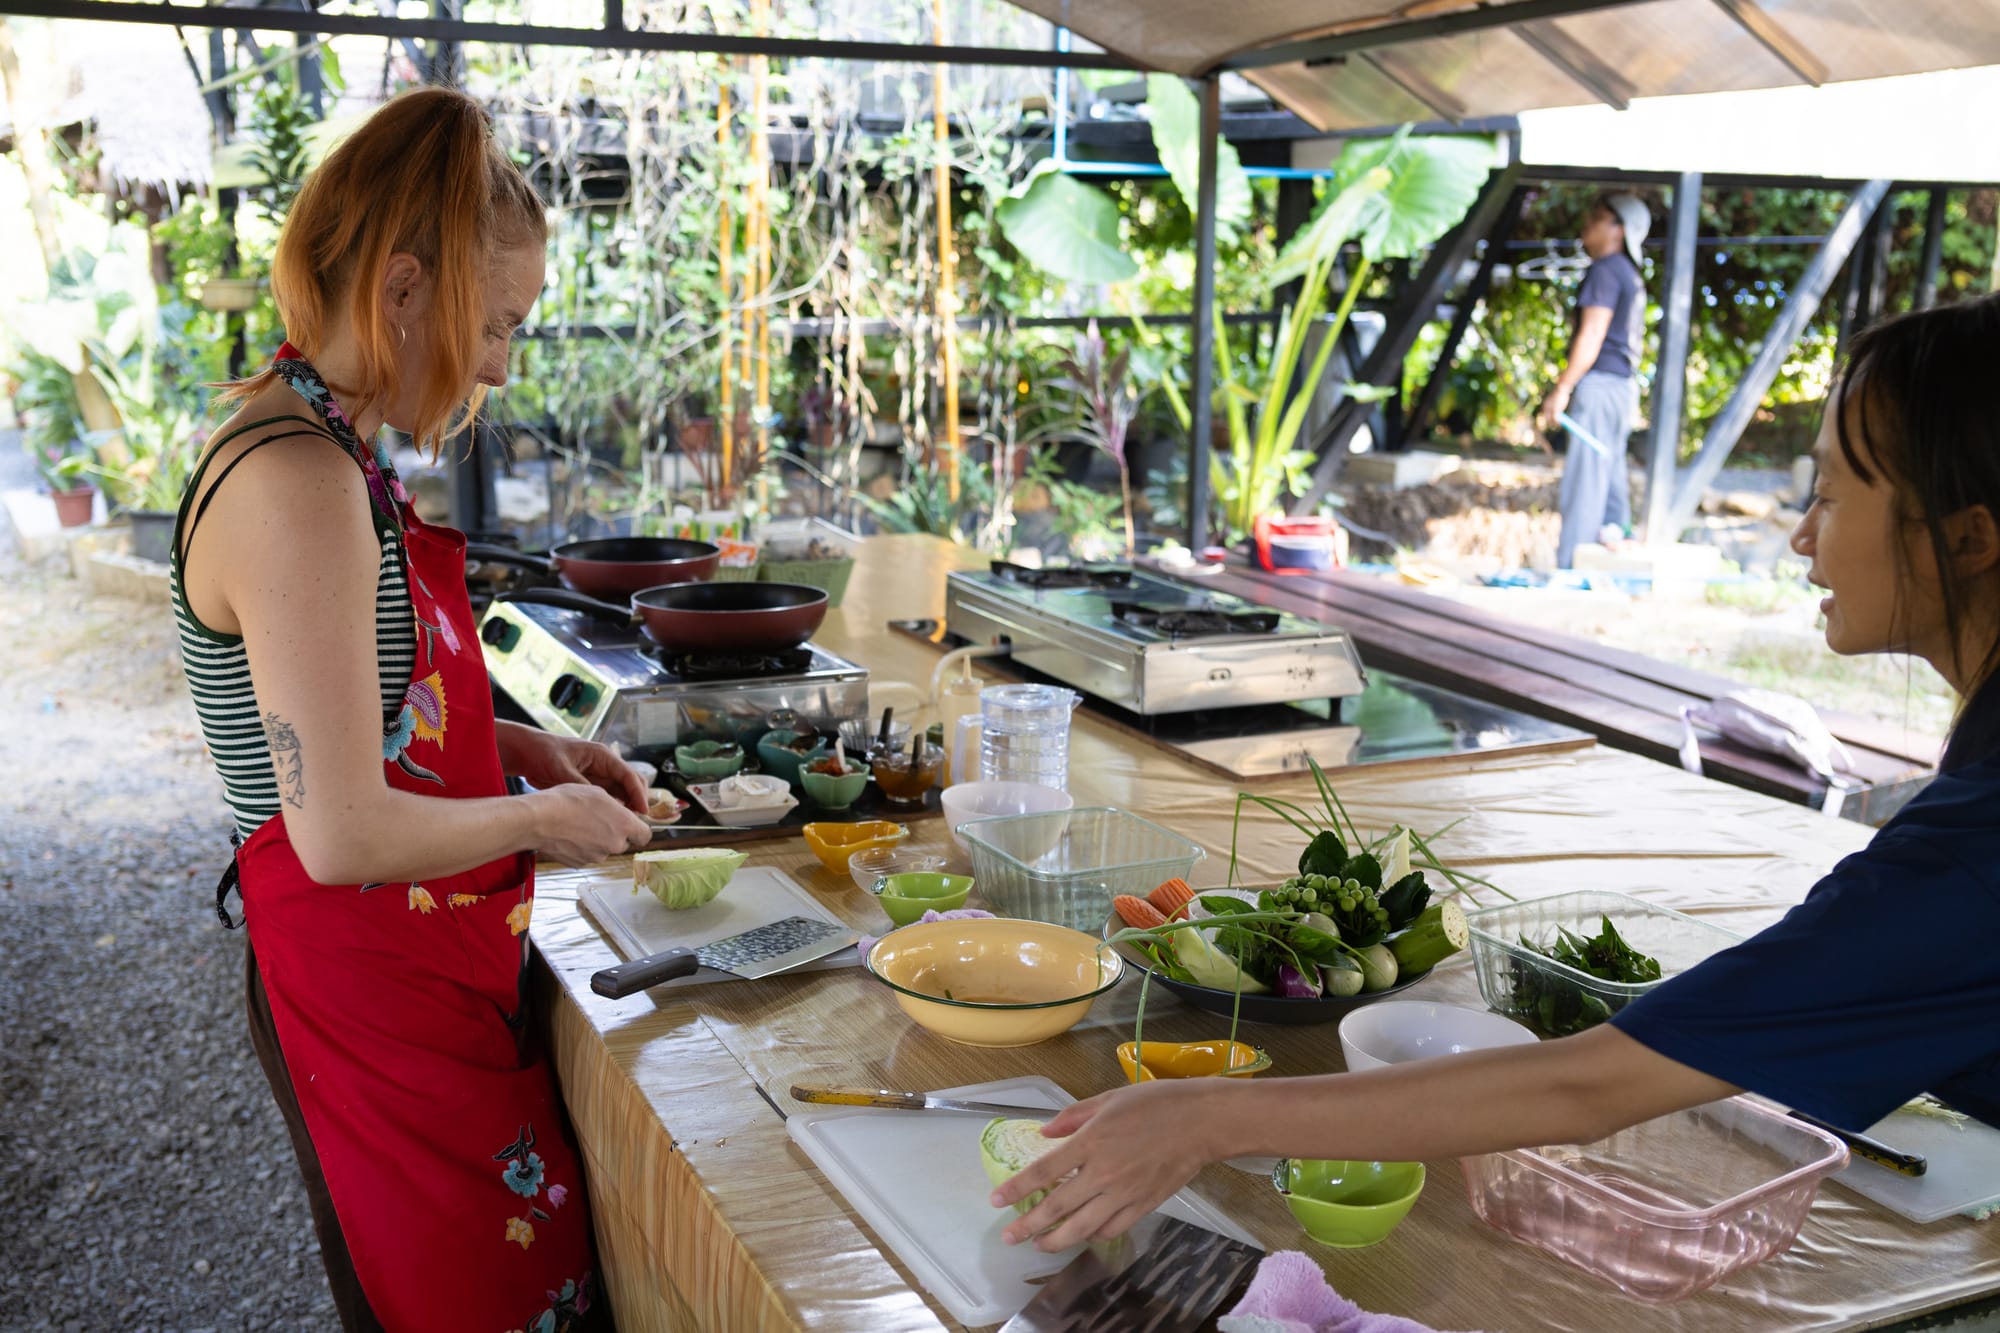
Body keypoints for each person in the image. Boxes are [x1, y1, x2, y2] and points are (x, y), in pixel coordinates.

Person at [994, 291, 2000, 1253]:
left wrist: (1207, 1119)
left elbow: (1589, 1084)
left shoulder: (1973, 852)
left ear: (1968, 536)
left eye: (1829, 492)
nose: (1799, 533)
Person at [171, 87, 653, 1331]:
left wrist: (523, 748)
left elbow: (370, 711)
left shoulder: (329, 446)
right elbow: (338, 831)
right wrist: (538, 818)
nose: (499, 365)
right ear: (400, 289)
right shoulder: (295, 480)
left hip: (418, 977)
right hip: (367, 992)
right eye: (494, 324)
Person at [1537, 193, 1651, 569]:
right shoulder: (1628, 273)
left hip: (1600, 385)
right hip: (1621, 388)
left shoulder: (1605, 270)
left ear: (1619, 230)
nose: (1587, 222)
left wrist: (1562, 388)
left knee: (1585, 481)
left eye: (1598, 217)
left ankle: (1571, 567)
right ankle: (1610, 563)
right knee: (1610, 475)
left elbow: (1592, 334)